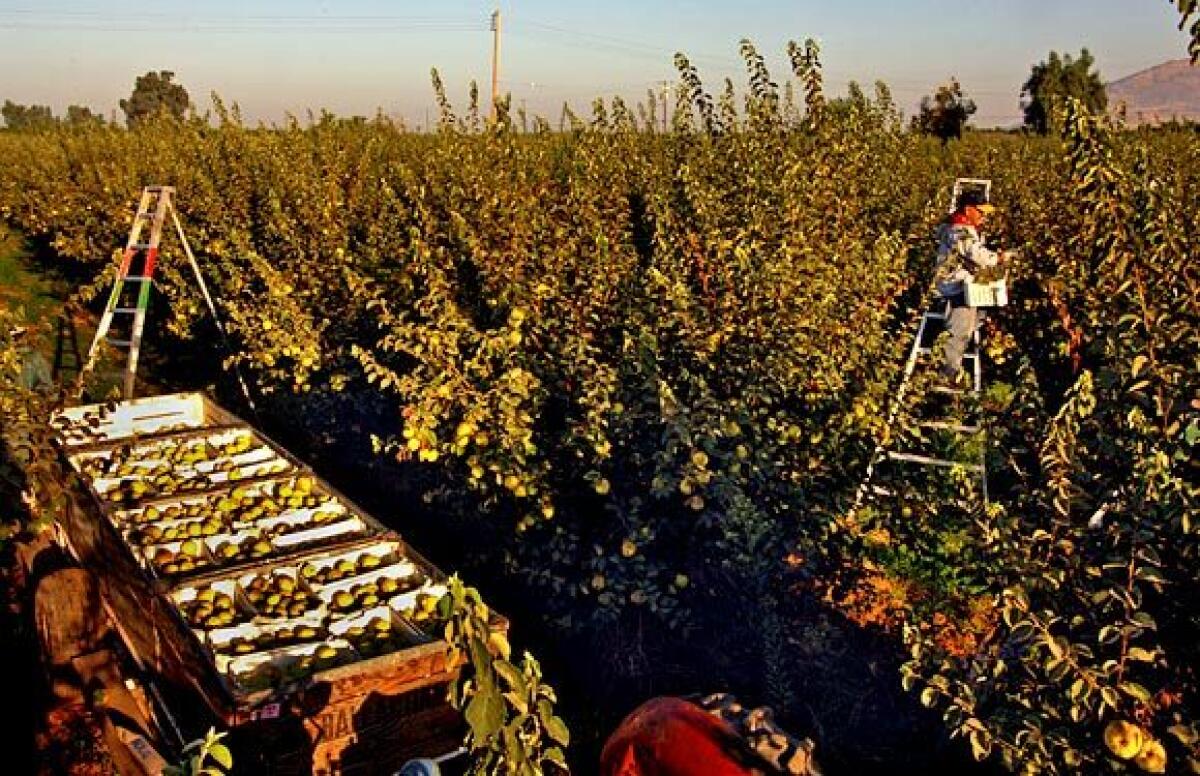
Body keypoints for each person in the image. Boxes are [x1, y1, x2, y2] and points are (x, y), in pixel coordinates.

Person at [934, 202, 1003, 382]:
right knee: (959, 332)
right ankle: (946, 375)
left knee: (975, 322)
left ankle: (953, 371)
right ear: (967, 210)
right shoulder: (958, 230)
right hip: (954, 288)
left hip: (962, 285)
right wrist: (996, 259)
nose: (983, 216)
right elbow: (972, 250)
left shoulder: (964, 228)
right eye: (980, 212)